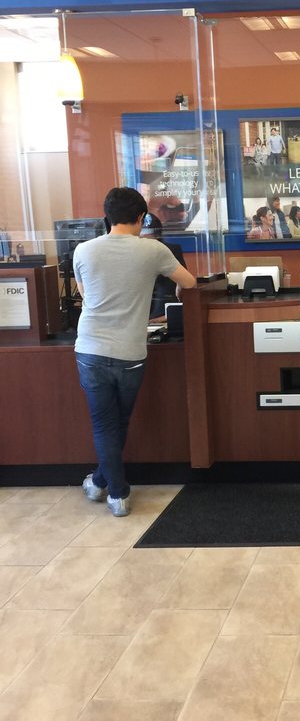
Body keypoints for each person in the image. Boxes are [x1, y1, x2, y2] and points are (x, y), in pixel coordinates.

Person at [73, 187, 196, 516]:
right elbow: (190, 282)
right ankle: (117, 491)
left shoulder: (83, 250)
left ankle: (101, 483)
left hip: (90, 348)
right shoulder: (153, 250)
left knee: (105, 424)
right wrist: (178, 292)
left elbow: (85, 296)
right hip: (129, 352)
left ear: (106, 217)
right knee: (119, 422)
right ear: (141, 217)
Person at [140, 212, 188, 320]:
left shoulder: (170, 250)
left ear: (157, 235)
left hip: (161, 313)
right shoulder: (131, 252)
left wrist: (165, 315)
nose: (142, 238)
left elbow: (184, 285)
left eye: (147, 234)